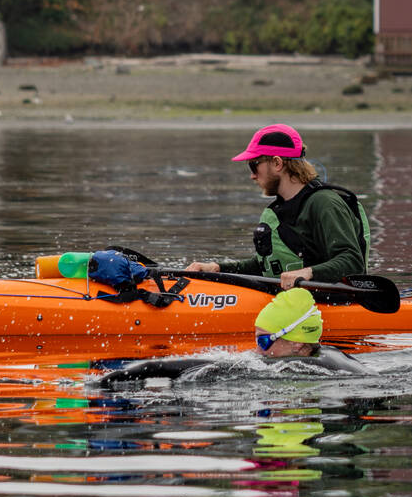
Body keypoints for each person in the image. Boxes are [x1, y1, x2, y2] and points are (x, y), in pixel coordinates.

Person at [185, 124, 370, 289]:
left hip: (331, 303)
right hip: (296, 300)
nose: (252, 176)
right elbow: (265, 268)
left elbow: (353, 261)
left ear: (277, 163)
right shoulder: (282, 208)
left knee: (263, 328)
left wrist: (307, 273)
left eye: (253, 165)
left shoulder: (325, 203)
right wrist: (217, 269)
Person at [91, 288, 372, 387]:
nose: (258, 350)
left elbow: (208, 367)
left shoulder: (306, 367)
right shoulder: (328, 355)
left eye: (264, 341)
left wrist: (136, 372)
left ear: (298, 342)